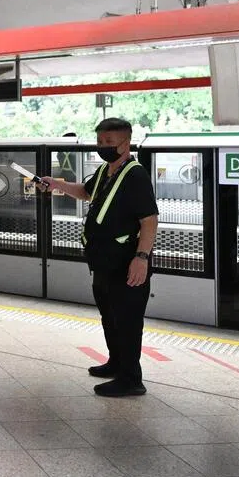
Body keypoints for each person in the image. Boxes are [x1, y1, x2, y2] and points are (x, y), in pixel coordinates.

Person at [39, 117, 158, 397]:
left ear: (125, 144)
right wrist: (56, 184)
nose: (103, 146)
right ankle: (116, 363)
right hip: (104, 264)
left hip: (126, 264)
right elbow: (85, 192)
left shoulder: (135, 175)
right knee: (110, 317)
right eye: (100, 141)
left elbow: (149, 220)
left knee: (127, 321)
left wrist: (141, 257)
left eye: (109, 142)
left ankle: (131, 379)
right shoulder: (106, 171)